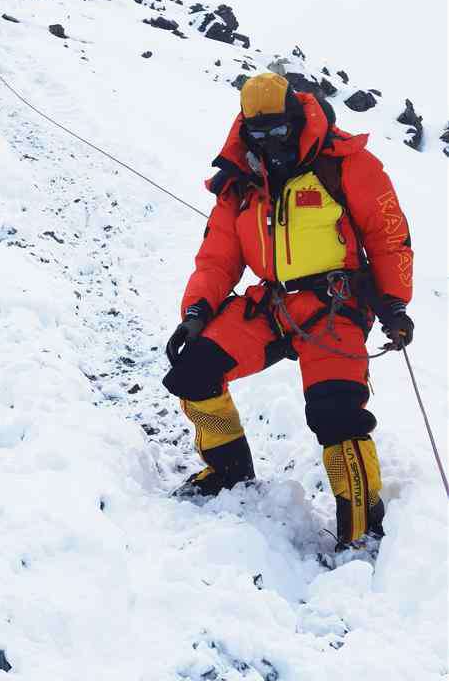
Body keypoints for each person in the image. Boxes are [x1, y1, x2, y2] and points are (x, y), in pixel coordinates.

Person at [163, 72, 414, 552]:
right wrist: (196, 310)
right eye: (259, 135)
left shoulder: (345, 163)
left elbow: (387, 235)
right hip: (271, 304)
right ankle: (228, 472)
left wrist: (394, 304)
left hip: (334, 305)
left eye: (279, 131)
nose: (270, 143)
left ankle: (362, 523)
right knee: (194, 373)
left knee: (336, 411)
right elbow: (217, 258)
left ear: (297, 119)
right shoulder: (239, 180)